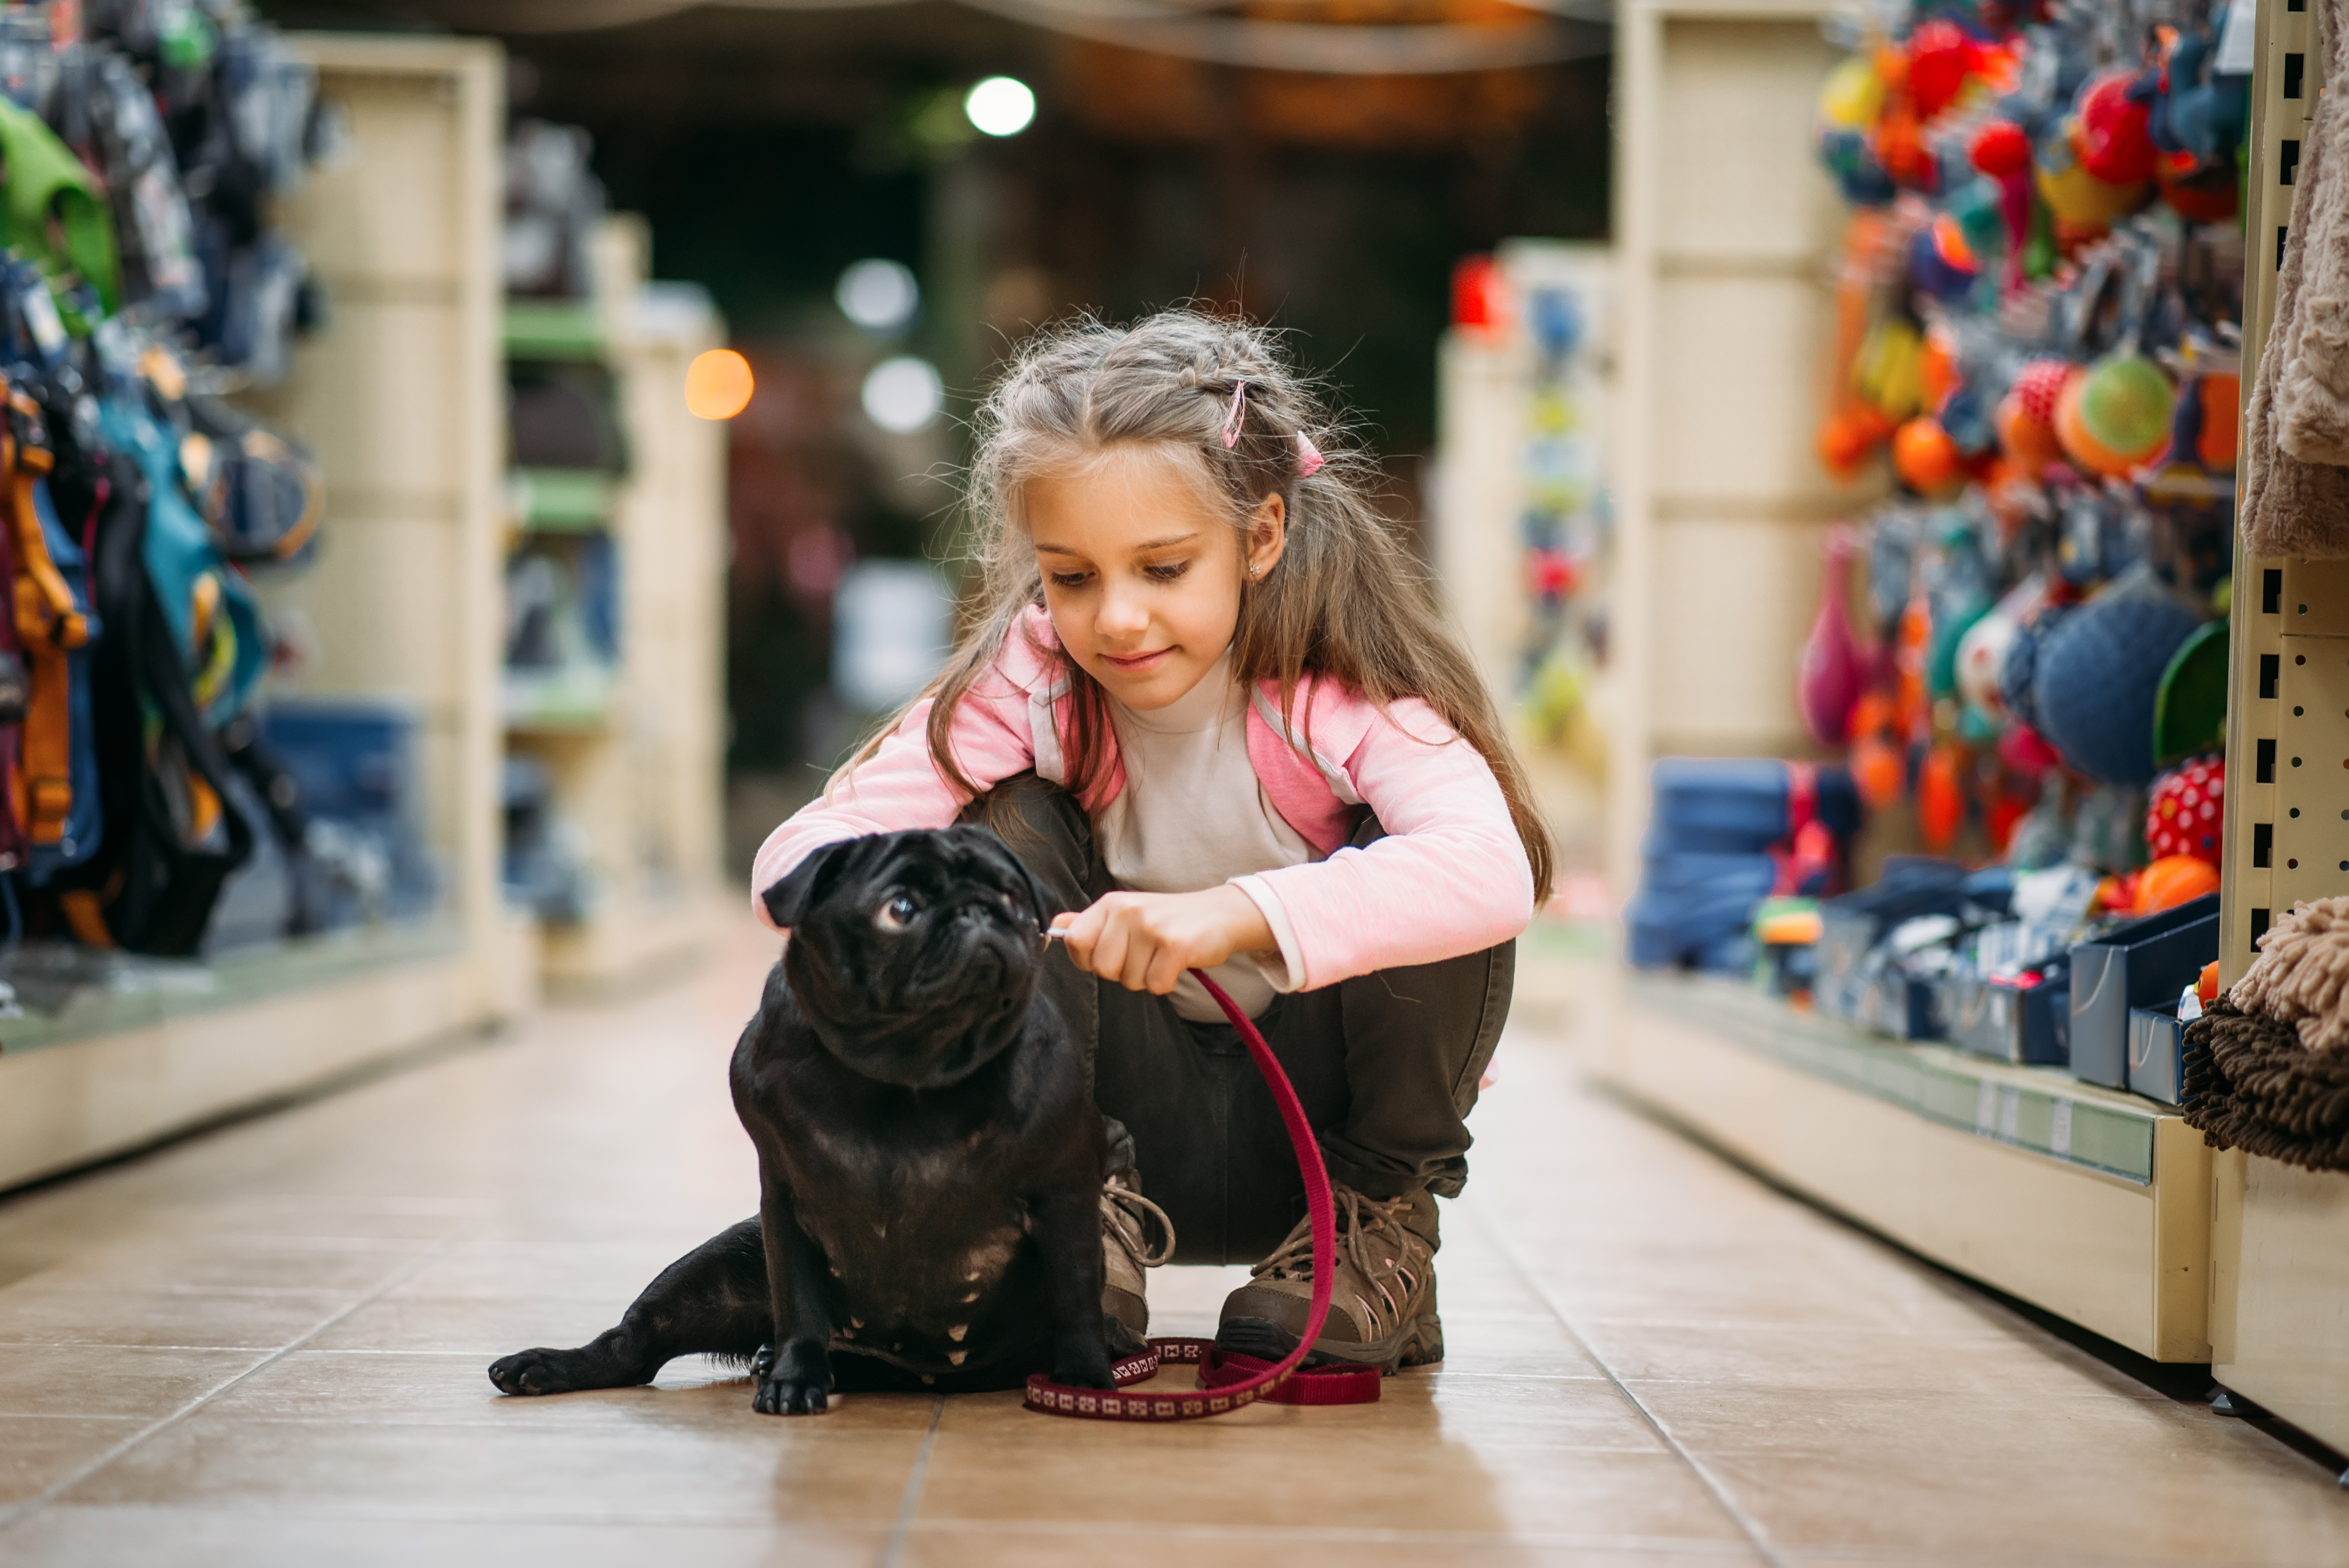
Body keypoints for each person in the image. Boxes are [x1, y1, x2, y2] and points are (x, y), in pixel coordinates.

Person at [752, 309, 1549, 1372]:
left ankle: (1379, 1229)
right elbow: (799, 863)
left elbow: (1495, 871)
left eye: (1163, 569)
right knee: (999, 830)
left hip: (1315, 1138)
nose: (1117, 620)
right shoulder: (1030, 680)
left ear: (1259, 537)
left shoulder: (1341, 690)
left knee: (1434, 863)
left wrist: (1232, 914)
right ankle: (1069, 1235)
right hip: (1093, 1140)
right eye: (1073, 578)